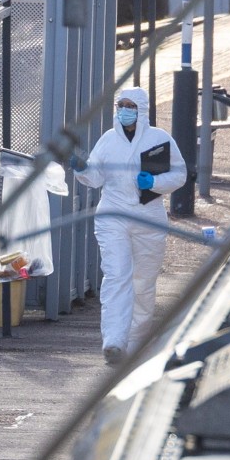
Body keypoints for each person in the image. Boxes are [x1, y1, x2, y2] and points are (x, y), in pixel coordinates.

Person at [71, 87, 188, 365]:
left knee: (143, 283)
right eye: (121, 105)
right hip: (114, 214)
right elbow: (95, 178)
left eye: (130, 106)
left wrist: (156, 184)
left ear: (142, 109)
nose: (124, 110)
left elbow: (180, 173)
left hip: (149, 216)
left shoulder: (160, 139)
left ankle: (136, 342)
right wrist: (81, 168)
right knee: (117, 275)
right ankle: (114, 341)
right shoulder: (108, 141)